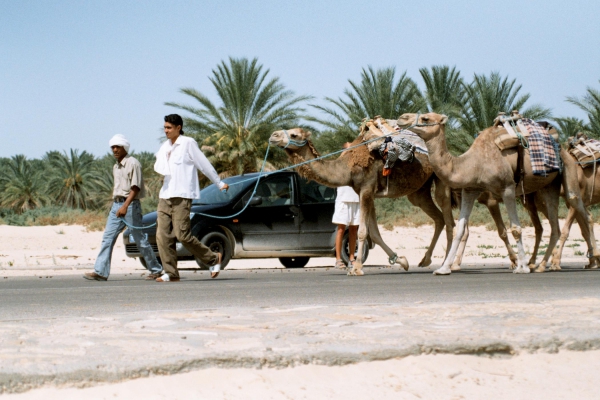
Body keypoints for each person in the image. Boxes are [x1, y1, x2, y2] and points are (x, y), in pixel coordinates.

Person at [153, 114, 229, 282]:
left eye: (169, 128)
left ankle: (212, 258)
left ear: (178, 128)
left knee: (182, 235)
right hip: (165, 196)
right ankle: (171, 273)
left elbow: (204, 165)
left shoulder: (188, 143)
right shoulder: (164, 146)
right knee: (162, 235)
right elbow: (160, 166)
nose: (166, 131)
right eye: (164, 127)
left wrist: (219, 183)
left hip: (182, 196)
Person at [84, 134, 163, 281]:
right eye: (113, 147)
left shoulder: (133, 163)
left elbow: (135, 188)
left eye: (117, 147)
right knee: (108, 237)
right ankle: (100, 271)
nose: (115, 150)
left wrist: (125, 206)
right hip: (117, 205)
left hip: (130, 205)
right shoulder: (116, 166)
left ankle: (156, 269)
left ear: (124, 147)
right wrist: (118, 206)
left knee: (139, 239)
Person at [333, 143, 360, 269]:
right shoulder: (340, 163)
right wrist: (346, 151)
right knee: (341, 229)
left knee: (354, 230)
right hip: (343, 199)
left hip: (356, 199)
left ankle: (351, 258)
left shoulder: (357, 163)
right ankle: (338, 259)